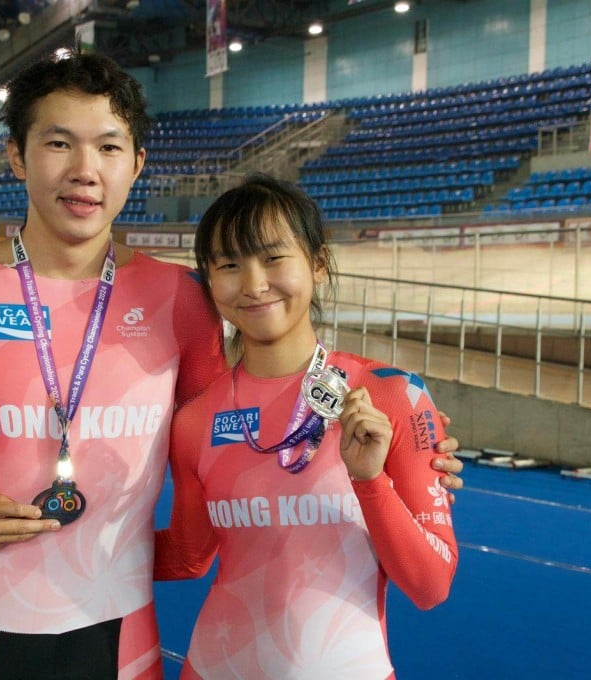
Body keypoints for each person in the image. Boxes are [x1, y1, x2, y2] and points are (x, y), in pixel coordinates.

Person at [0, 51, 464, 679]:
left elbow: (234, 442)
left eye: (107, 147)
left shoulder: (180, 299)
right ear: (16, 155)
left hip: (123, 634)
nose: (84, 170)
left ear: (136, 165)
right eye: (58, 143)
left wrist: (414, 458)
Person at [154, 175, 459, 679]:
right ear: (209, 281)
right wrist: (68, 536)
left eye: (274, 258)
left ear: (317, 264)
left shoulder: (391, 395)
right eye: (229, 265)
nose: (253, 284)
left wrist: (370, 482)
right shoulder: (193, 420)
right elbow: (189, 556)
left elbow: (431, 585)